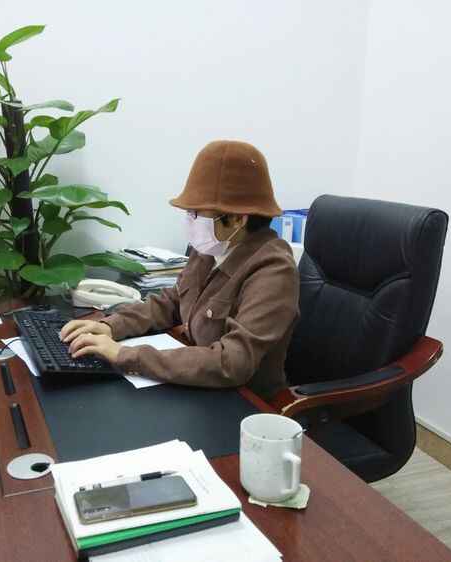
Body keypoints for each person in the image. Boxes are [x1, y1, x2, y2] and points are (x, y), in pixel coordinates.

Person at [60, 140, 299, 401]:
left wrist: (125, 355)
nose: (189, 222)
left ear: (237, 219)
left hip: (244, 403)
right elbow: (172, 302)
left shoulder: (273, 270)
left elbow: (232, 362)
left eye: (196, 214)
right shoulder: (211, 249)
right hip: (196, 384)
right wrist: (112, 326)